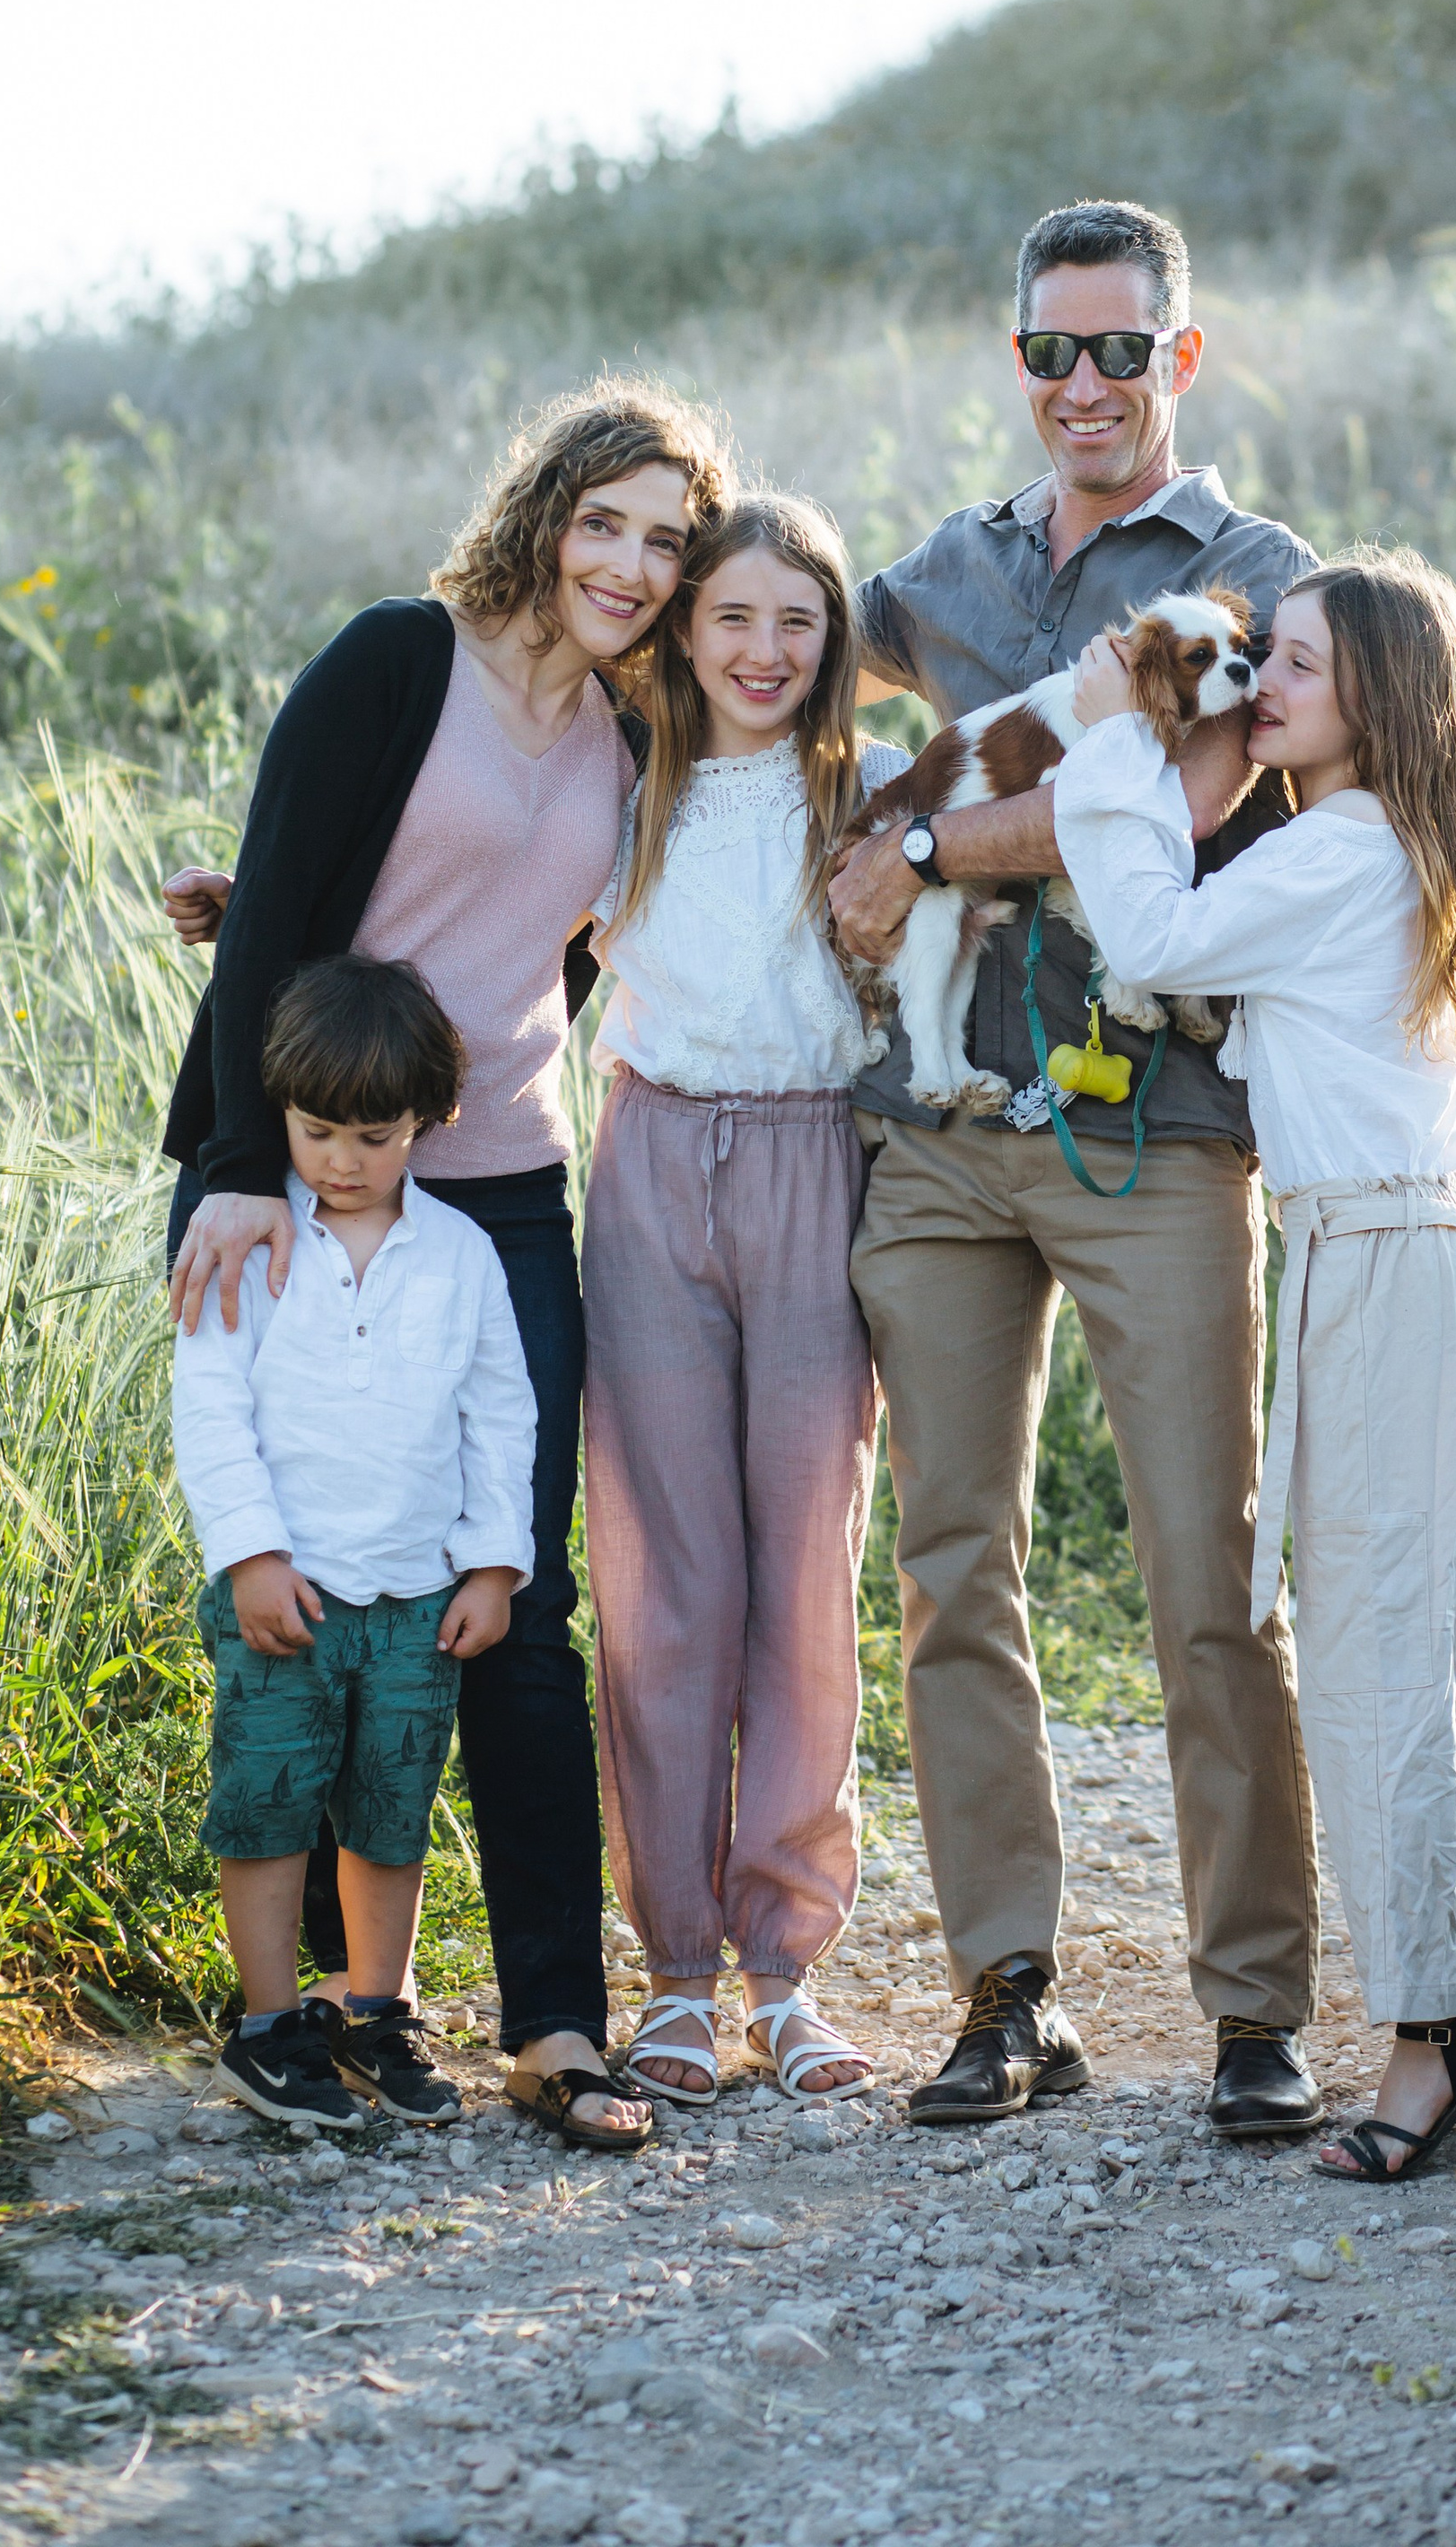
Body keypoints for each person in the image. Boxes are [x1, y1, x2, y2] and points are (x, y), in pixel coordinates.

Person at [160, 376, 732, 2152]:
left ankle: (554, 2024)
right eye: (604, 522)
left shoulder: (631, 729)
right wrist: (237, 1172)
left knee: (512, 1596)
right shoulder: (401, 659)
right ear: (544, 513)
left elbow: (558, 948)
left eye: (665, 541)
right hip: (306, 1177)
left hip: (500, 1193)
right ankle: (310, 2004)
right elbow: (276, 907)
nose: (628, 565)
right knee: (323, 1589)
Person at [829, 197, 1326, 2133]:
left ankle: (1254, 2006)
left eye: (1122, 349)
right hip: (939, 1137)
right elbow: (740, 680)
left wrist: (923, 845)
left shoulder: (1253, 581)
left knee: (1209, 1568)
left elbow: (1170, 812)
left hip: (1155, 1130)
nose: (1085, 385)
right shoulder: (940, 576)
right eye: (1052, 351)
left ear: (1178, 359)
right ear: (1019, 360)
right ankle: (1004, 1990)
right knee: (952, 1570)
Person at [1053, 546, 1456, 2181]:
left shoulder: (1346, 847)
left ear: (1378, 695)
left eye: (1298, 662)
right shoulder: (1367, 845)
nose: (1266, 683)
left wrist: (1116, 736)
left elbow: (1149, 934)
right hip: (1394, 1259)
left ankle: (1432, 2033)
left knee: (1373, 1675)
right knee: (1414, 1653)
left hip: (1382, 1264)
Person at [580, 493, 906, 2109]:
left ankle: (786, 1970)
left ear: (832, 639)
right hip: (650, 1160)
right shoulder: (623, 779)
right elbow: (465, 897)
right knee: (664, 1578)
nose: (764, 652)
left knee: (802, 1572)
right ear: (684, 630)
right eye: (732, 619)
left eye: (797, 622)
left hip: (812, 1163)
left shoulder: (869, 789)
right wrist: (275, 908)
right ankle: (675, 1975)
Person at [174, 954, 536, 2133]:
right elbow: (209, 1410)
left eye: (374, 1137)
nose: (341, 1160)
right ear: (278, 1109)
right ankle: (269, 2027)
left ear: (427, 1121)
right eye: (316, 1129)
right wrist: (250, 1555)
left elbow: (501, 1415)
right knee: (269, 1801)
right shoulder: (250, 1245)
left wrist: (494, 1564)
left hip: (417, 1601)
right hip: (287, 1592)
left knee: (391, 1810)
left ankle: (376, 2011)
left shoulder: (463, 1255)